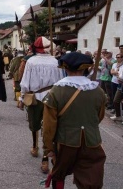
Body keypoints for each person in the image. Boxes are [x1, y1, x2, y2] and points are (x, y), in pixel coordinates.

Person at [43, 52, 106, 189]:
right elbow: (98, 117)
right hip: (92, 141)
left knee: (59, 173)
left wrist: (49, 147)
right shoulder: (98, 91)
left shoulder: (56, 91)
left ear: (65, 68)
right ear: (85, 68)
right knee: (91, 179)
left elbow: (49, 125)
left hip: (65, 141)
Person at [20, 36, 64, 174]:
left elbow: (25, 82)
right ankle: (45, 158)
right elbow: (61, 81)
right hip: (52, 98)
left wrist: (22, 97)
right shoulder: (56, 62)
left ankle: (35, 147)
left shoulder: (31, 61)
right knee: (49, 127)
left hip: (35, 98)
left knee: (35, 124)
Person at [110, 53, 123, 120]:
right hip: (120, 85)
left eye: (119, 57)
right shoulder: (115, 64)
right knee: (115, 100)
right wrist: (117, 74)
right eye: (117, 57)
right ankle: (118, 116)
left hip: (120, 83)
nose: (118, 58)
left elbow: (118, 74)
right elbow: (113, 72)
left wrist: (117, 74)